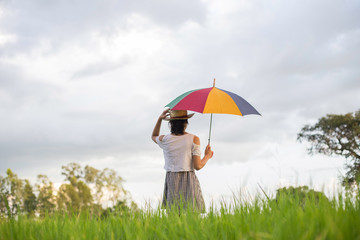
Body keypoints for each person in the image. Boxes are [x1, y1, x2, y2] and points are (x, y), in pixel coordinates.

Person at [151, 108, 214, 212]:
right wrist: (207, 156)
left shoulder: (165, 139)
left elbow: (154, 136)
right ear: (185, 123)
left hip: (172, 178)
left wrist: (160, 119)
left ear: (171, 123)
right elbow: (197, 166)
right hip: (188, 178)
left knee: (174, 216)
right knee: (192, 214)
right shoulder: (194, 138)